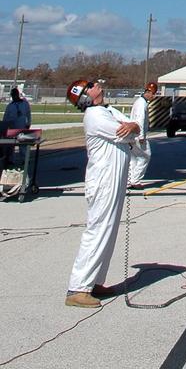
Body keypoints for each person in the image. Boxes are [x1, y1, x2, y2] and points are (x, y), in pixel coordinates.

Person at [65, 78, 140, 307]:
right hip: (104, 179)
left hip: (114, 179)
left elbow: (134, 125)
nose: (96, 85)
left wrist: (134, 127)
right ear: (85, 96)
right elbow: (126, 133)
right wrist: (132, 129)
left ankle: (95, 282)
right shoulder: (95, 116)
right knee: (98, 230)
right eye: (90, 86)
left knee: (108, 230)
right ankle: (78, 288)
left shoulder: (107, 110)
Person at [128, 81, 157, 187]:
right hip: (138, 135)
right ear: (148, 92)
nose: (153, 96)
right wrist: (141, 136)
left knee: (134, 158)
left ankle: (130, 180)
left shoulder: (138, 101)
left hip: (132, 135)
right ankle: (135, 180)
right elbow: (140, 119)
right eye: (153, 94)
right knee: (145, 156)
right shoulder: (142, 103)